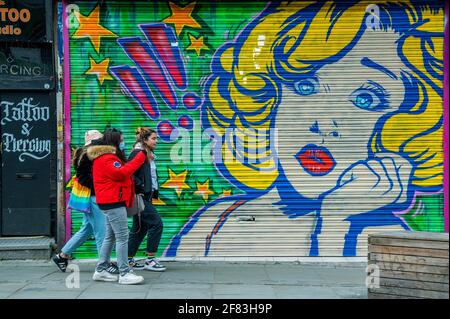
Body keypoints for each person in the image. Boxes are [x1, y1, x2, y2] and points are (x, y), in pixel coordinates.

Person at [166, 1, 443, 257]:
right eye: (305, 86)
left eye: (365, 99)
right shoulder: (217, 218)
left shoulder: (386, 238)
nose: (323, 123)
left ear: (406, 126)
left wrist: (337, 221)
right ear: (269, 100)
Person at [52, 130, 118, 275]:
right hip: (94, 197)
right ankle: (104, 264)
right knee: (103, 232)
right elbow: (83, 177)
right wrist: (99, 186)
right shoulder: (89, 154)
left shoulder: (87, 152)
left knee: (86, 229)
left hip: (91, 196)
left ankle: (62, 256)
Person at [88, 128, 147, 284]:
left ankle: (101, 270)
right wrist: (140, 155)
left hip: (110, 201)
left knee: (110, 237)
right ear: (114, 141)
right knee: (122, 237)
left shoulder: (106, 157)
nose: (123, 142)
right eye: (121, 139)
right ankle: (124, 273)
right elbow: (122, 173)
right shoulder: (107, 158)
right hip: (113, 202)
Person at [127, 127, 166, 272]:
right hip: (140, 196)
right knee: (157, 224)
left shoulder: (148, 153)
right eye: (153, 138)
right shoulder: (139, 153)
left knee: (140, 229)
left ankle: (127, 259)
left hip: (145, 196)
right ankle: (150, 259)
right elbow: (128, 173)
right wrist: (141, 187)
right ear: (145, 140)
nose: (156, 141)